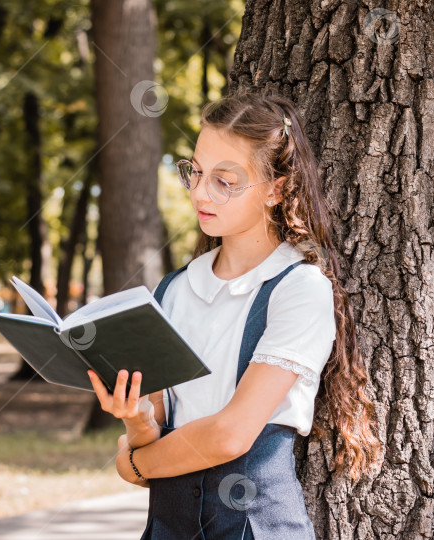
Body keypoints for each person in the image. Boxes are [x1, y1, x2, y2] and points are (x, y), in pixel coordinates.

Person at [87, 92, 383, 539]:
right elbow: (155, 422)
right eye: (197, 172)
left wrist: (132, 462)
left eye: (225, 181)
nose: (201, 192)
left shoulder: (298, 289)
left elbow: (230, 436)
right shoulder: (174, 290)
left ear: (276, 189)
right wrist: (135, 419)